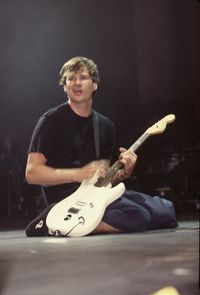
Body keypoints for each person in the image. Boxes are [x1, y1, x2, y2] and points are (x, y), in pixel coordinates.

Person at [25, 56, 178, 237]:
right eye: (71, 78)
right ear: (64, 86)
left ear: (95, 84)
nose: (77, 83)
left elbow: (104, 181)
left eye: (83, 77)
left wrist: (124, 172)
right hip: (66, 201)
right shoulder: (50, 121)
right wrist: (77, 174)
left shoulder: (105, 126)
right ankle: (55, 223)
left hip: (95, 197)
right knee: (138, 216)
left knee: (166, 211)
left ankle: (77, 226)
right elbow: (32, 173)